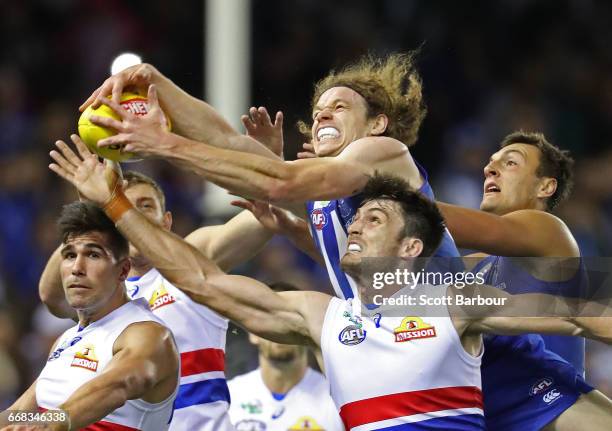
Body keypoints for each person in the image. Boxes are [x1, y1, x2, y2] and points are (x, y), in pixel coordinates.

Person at [48, 143, 612, 430]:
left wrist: (124, 195)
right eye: (71, 254)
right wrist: (111, 203)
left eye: (375, 218)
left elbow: (576, 313)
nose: (357, 224)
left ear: (412, 249)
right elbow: (201, 278)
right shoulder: (326, 316)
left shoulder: (447, 300)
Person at [80, 52, 461, 300]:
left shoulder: (384, 151)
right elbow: (227, 142)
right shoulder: (327, 197)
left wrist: (163, 144)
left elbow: (278, 182)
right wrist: (155, 82)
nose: (322, 116)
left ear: (378, 123)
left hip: (453, 331)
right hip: (396, 340)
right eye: (317, 112)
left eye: (339, 107)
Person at [40, 135, 276, 431]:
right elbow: (52, 297)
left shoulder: (190, 263)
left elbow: (263, 220)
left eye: (145, 206)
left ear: (166, 222)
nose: (133, 215)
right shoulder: (102, 294)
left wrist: (274, 178)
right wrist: (92, 213)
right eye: (123, 208)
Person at [433, 131, 612, 430]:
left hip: (551, 413)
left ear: (545, 186)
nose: (489, 168)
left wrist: (386, 195)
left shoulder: (550, 232)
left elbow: (445, 227)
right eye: (490, 163)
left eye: (510, 163)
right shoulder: (475, 265)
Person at [0, 202, 179, 431]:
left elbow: (117, 387)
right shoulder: (65, 340)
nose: (77, 267)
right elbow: (17, 417)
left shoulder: (148, 334)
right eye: (69, 255)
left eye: (93, 254)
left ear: (123, 270)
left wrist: (49, 423)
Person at [227, 282, 342, 431]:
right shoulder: (228, 398)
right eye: (269, 319)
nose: (279, 330)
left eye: (289, 320)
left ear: (308, 330)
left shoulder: (335, 400)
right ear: (253, 332)